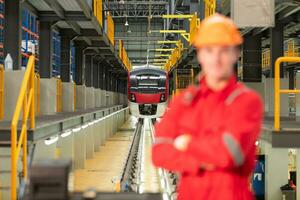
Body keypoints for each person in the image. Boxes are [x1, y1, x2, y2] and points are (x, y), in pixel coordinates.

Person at [152, 13, 263, 200]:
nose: (216, 58)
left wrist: (185, 144)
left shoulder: (247, 101)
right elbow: (159, 152)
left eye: (224, 50)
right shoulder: (184, 101)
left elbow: (230, 154)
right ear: (200, 54)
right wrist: (209, 156)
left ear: (236, 54)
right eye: (209, 50)